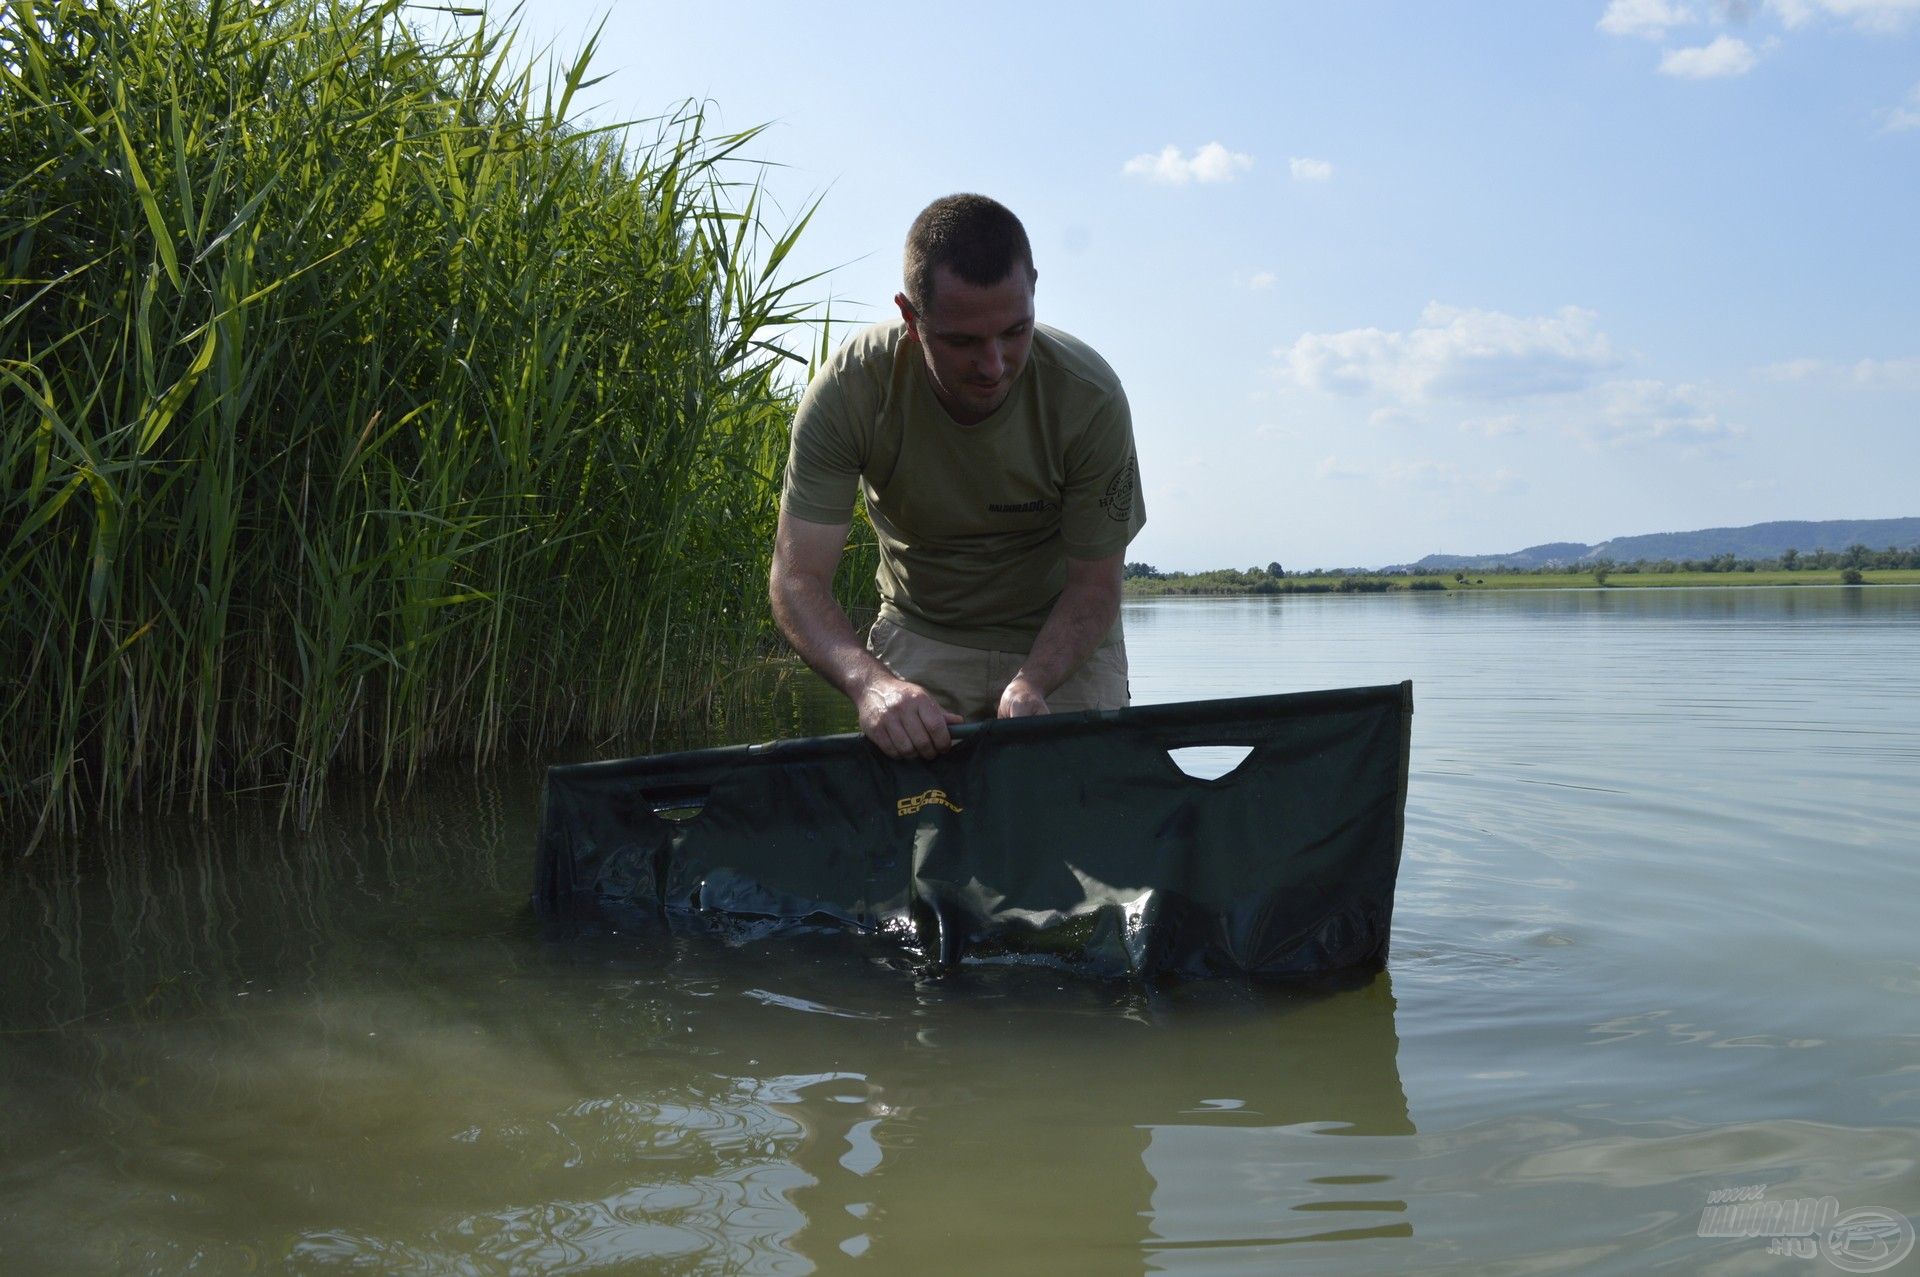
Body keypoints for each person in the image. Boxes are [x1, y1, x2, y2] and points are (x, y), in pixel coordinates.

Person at [769, 194, 1146, 760]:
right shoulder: (852, 388)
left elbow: (1095, 586)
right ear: (910, 317)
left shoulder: (1089, 397)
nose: (994, 366)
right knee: (920, 842)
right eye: (963, 341)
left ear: (1034, 287)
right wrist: (873, 686)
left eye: (1015, 331)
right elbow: (797, 580)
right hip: (923, 636)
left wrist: (1033, 682)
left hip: (1063, 649)